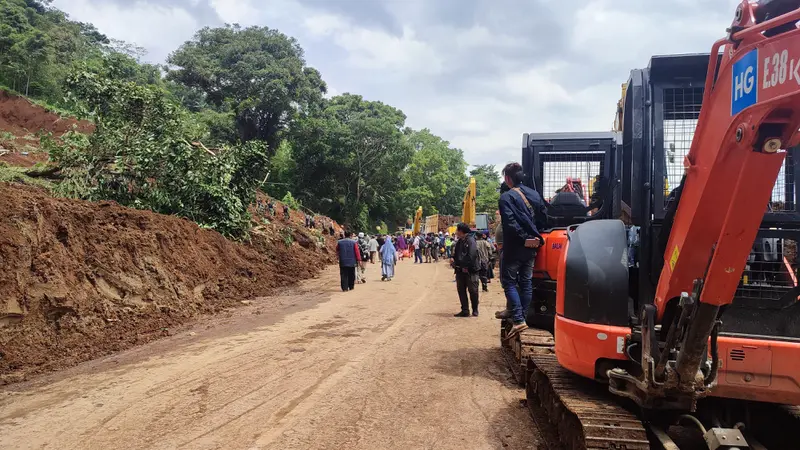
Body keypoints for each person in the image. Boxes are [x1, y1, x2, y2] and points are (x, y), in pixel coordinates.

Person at [497, 163, 548, 338]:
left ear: (508, 178)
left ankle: (518, 320)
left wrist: (523, 238)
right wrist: (533, 238)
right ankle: (523, 318)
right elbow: (543, 219)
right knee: (526, 282)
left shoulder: (506, 198)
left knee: (509, 282)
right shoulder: (534, 194)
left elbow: (510, 225)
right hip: (533, 247)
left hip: (515, 247)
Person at [451, 223, 480, 317]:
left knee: (473, 291)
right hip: (460, 271)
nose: (456, 232)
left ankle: (475, 309)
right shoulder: (460, 241)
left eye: (457, 230)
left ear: (461, 231)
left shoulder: (471, 241)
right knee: (461, 291)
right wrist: (453, 260)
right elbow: (456, 254)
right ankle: (465, 310)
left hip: (470, 271)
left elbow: (472, 256)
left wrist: (464, 265)